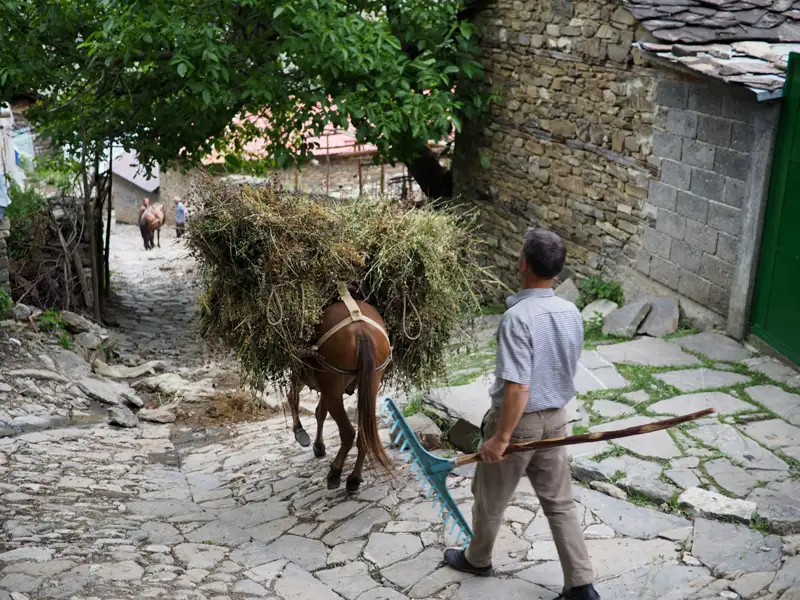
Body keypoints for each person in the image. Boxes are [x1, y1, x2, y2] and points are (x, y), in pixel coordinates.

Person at [443, 228, 599, 600]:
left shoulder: (518, 317)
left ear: (523, 264)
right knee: (559, 503)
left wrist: (500, 438)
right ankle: (581, 585)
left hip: (519, 422)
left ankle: (477, 558)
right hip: (557, 419)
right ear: (556, 270)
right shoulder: (570, 311)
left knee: (489, 497)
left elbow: (517, 388)